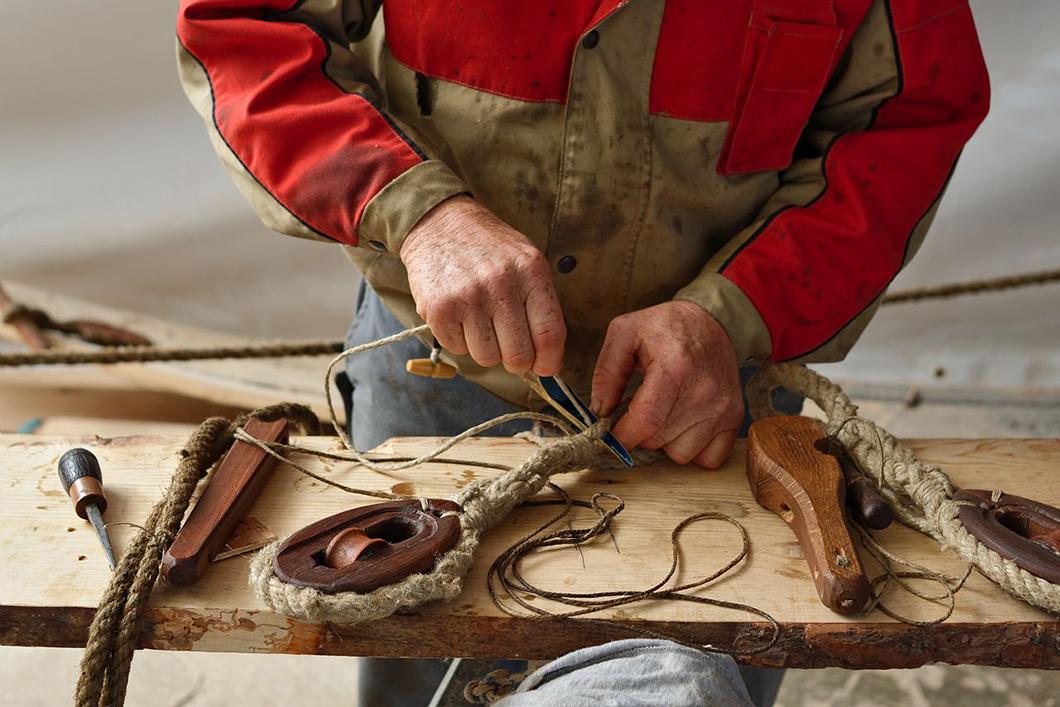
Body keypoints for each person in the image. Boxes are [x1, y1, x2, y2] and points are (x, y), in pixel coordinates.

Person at [176, 1, 989, 704]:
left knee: (693, 675)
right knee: (411, 651)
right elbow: (244, 30)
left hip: (710, 401)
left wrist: (736, 311)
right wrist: (419, 213)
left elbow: (911, 120)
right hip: (434, 369)